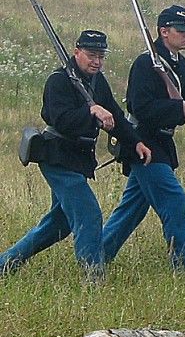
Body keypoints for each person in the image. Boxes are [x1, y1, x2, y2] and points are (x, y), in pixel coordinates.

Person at [1, 31, 151, 281]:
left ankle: (5, 264)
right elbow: (60, 120)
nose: (97, 61)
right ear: (76, 52)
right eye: (92, 55)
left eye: (101, 56)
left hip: (77, 159)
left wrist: (136, 142)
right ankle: (94, 277)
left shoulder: (97, 81)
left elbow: (114, 115)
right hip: (57, 156)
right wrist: (91, 111)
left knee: (58, 225)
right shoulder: (58, 81)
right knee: (88, 213)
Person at [102, 6, 185, 271]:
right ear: (164, 32)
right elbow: (139, 107)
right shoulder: (145, 64)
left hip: (160, 142)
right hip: (143, 141)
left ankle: (94, 257)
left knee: (130, 210)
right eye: (180, 30)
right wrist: (178, 110)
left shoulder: (178, 62)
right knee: (175, 200)